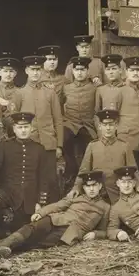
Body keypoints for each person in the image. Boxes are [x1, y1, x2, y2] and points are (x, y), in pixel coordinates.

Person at [0, 170, 110, 258]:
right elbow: (57, 205)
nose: (91, 189)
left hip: (70, 233)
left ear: (100, 186)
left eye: (94, 185)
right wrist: (41, 213)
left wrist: (96, 234)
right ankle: (1, 246)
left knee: (38, 242)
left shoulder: (105, 207)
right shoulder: (76, 198)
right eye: (88, 186)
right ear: (84, 187)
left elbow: (105, 230)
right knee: (31, 228)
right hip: (55, 219)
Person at [0, 112, 49, 239]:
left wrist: (40, 202)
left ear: (31, 128)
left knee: (22, 231)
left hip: (29, 197)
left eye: (26, 127)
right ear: (14, 129)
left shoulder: (39, 149)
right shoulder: (4, 147)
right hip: (8, 192)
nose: (23, 130)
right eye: (20, 127)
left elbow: (43, 178)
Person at [13, 54, 63, 204]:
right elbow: (13, 120)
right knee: (31, 179)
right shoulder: (19, 93)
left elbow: (58, 120)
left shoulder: (50, 93)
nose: (35, 73)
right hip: (29, 143)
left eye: (38, 69)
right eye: (32, 69)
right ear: (27, 71)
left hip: (48, 144)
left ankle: (52, 215)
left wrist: (59, 145)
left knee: (51, 181)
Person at [67, 109, 139, 204]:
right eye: (105, 125)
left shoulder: (124, 146)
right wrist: (76, 187)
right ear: (99, 126)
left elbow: (133, 169)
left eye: (111, 125)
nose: (108, 128)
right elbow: (83, 170)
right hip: (97, 194)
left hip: (118, 195)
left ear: (116, 126)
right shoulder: (92, 146)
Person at [61, 56, 98, 189]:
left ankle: (85, 178)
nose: (80, 73)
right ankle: (71, 168)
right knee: (64, 138)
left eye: (83, 70)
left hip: (88, 126)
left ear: (87, 71)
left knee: (89, 148)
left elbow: (97, 109)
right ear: (73, 71)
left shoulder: (94, 89)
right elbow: (59, 106)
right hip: (71, 123)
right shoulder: (66, 88)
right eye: (77, 70)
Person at [0, 53, 21, 137]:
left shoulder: (20, 91)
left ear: (15, 73)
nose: (8, 74)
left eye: (11, 71)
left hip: (14, 132)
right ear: (0, 72)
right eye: (5, 71)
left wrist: (8, 103)